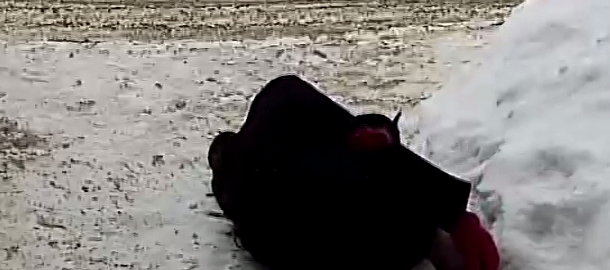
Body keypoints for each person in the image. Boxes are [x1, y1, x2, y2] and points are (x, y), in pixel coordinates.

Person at [209, 75, 501, 270]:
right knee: (361, 156)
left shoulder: (241, 206)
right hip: (352, 204)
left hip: (336, 234)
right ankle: (437, 233)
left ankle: (431, 237)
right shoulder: (274, 107)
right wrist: (455, 214)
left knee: (355, 170)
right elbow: (346, 127)